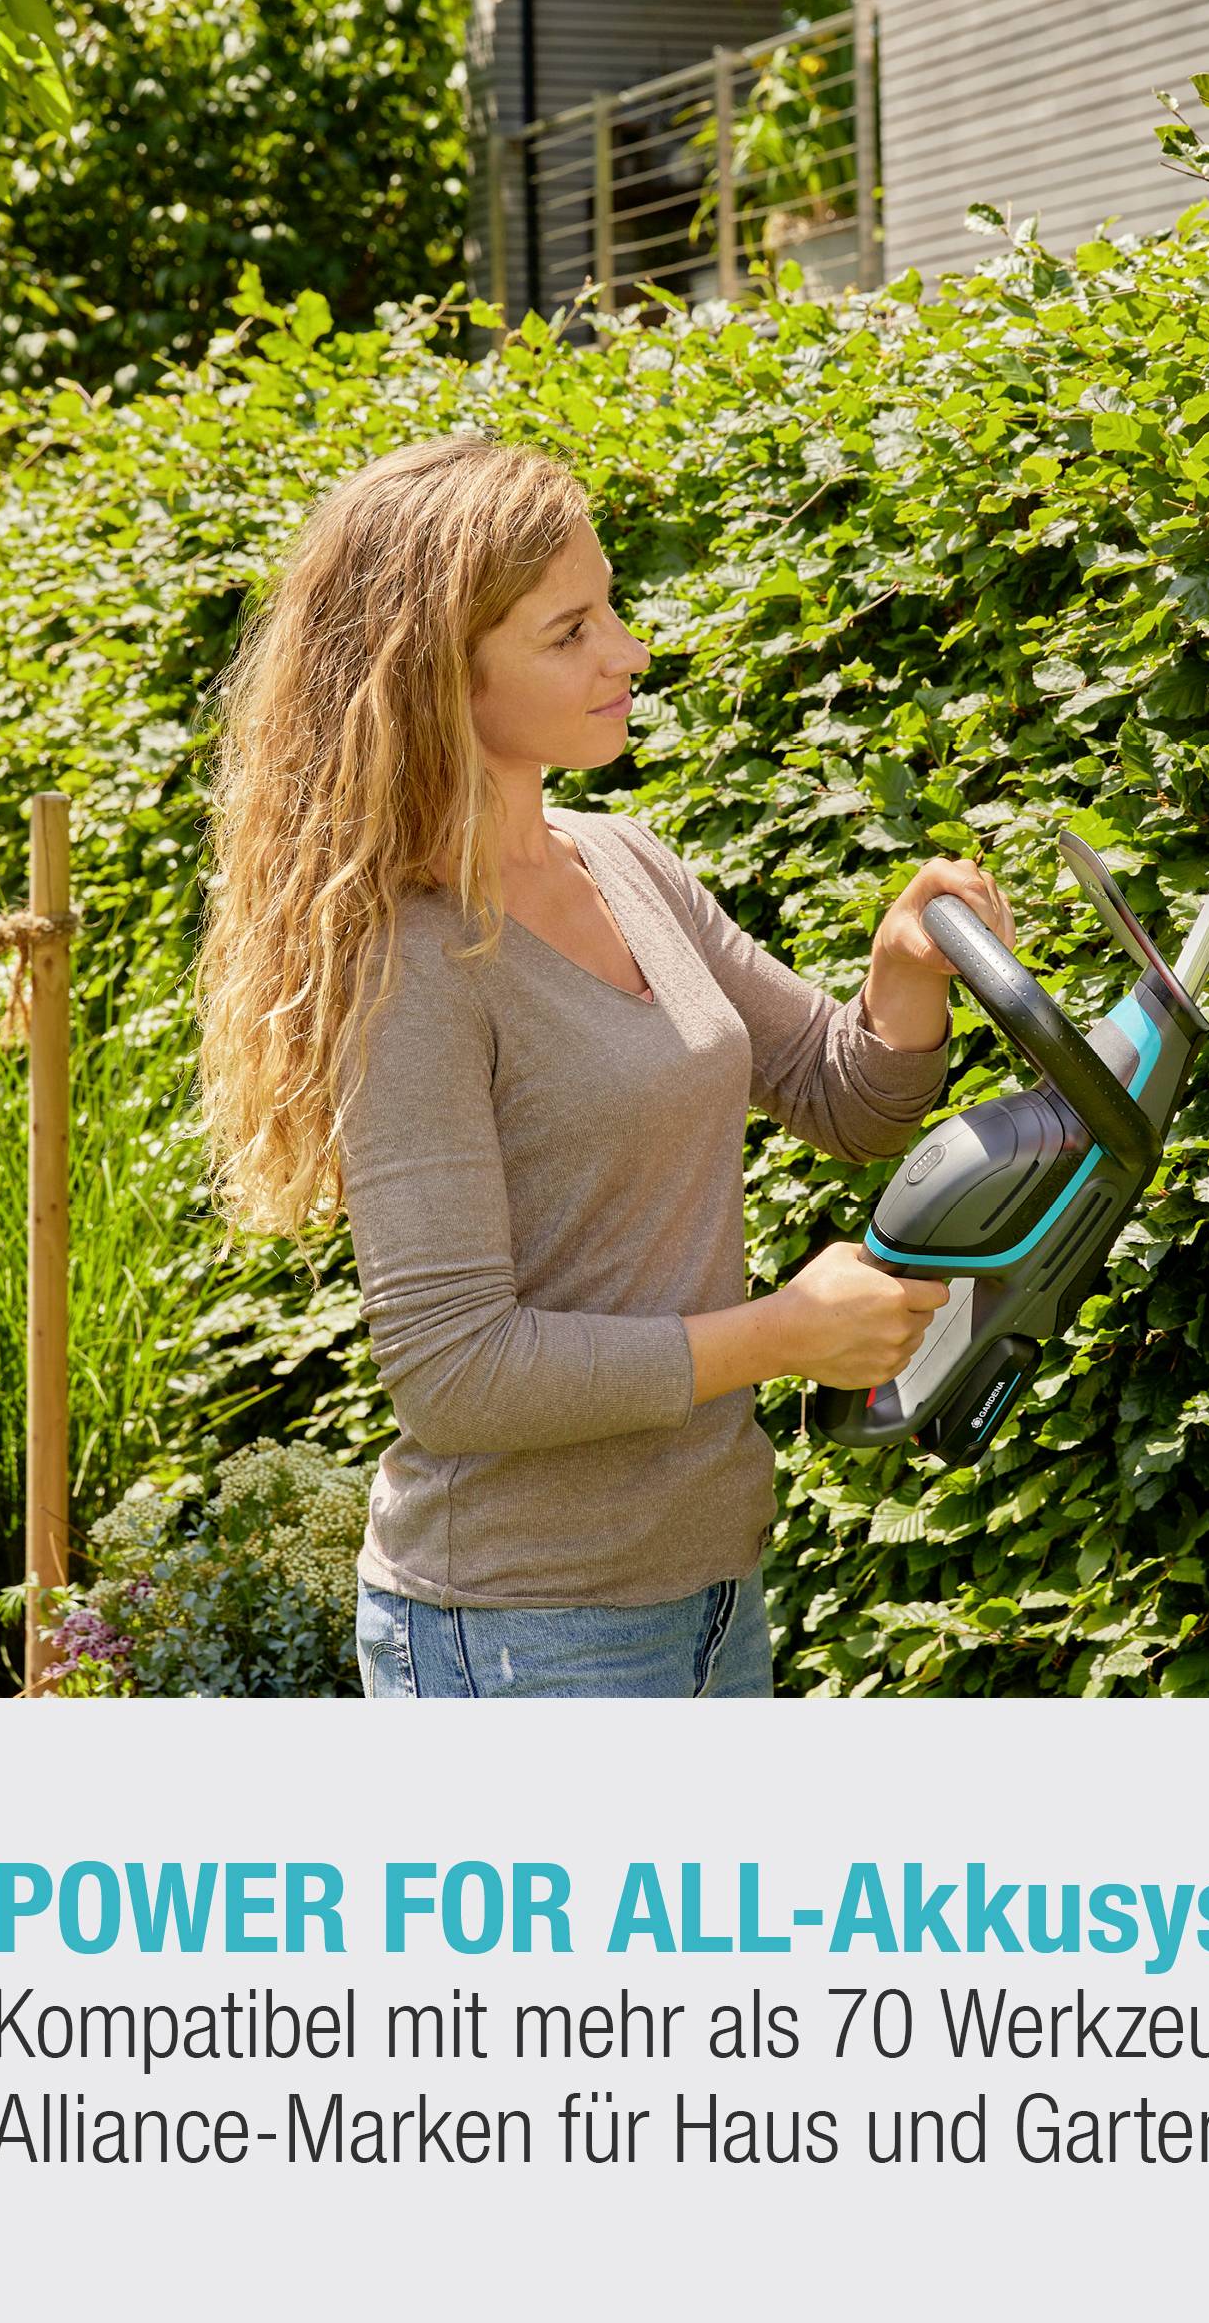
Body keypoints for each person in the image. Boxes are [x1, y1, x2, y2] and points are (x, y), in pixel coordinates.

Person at [195, 434, 1017, 1698]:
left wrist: (902, 971)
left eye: (611, 611)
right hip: (521, 1634)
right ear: (438, 675)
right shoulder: (410, 962)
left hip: (713, 1590)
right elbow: (455, 1372)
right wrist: (782, 1334)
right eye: (569, 632)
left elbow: (840, 1093)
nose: (627, 653)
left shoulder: (623, 862)